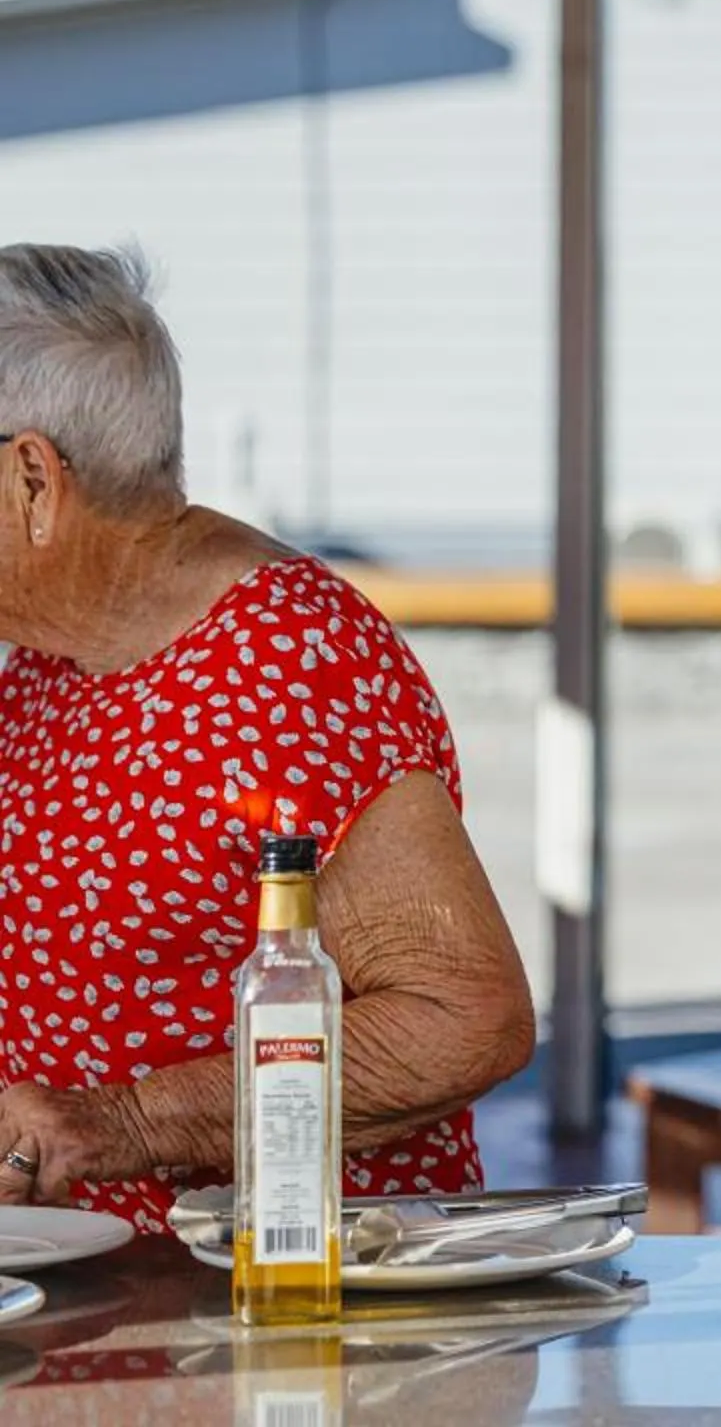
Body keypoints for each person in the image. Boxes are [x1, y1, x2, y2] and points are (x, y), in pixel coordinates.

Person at [0, 245, 533, 1231]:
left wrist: (126, 1120)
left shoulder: (293, 659)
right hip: (106, 1309)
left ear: (35, 477)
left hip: (287, 1318)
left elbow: (464, 1018)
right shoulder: (51, 648)